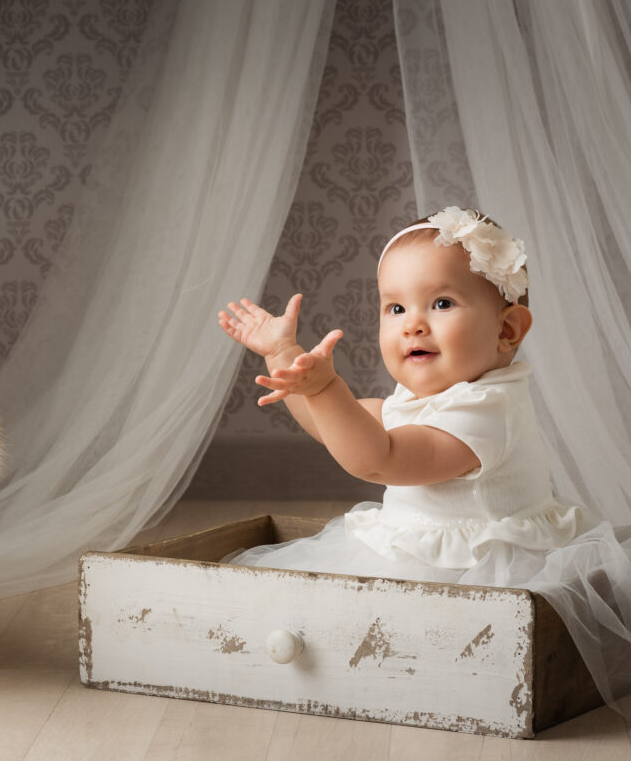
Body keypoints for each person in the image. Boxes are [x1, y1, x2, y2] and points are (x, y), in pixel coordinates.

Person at [217, 207, 590, 583]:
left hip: (478, 572)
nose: (412, 325)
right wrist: (283, 356)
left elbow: (380, 459)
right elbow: (328, 424)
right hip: (416, 551)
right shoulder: (420, 399)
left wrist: (327, 388)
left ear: (506, 330)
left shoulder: (487, 411)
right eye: (396, 308)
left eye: (442, 303)